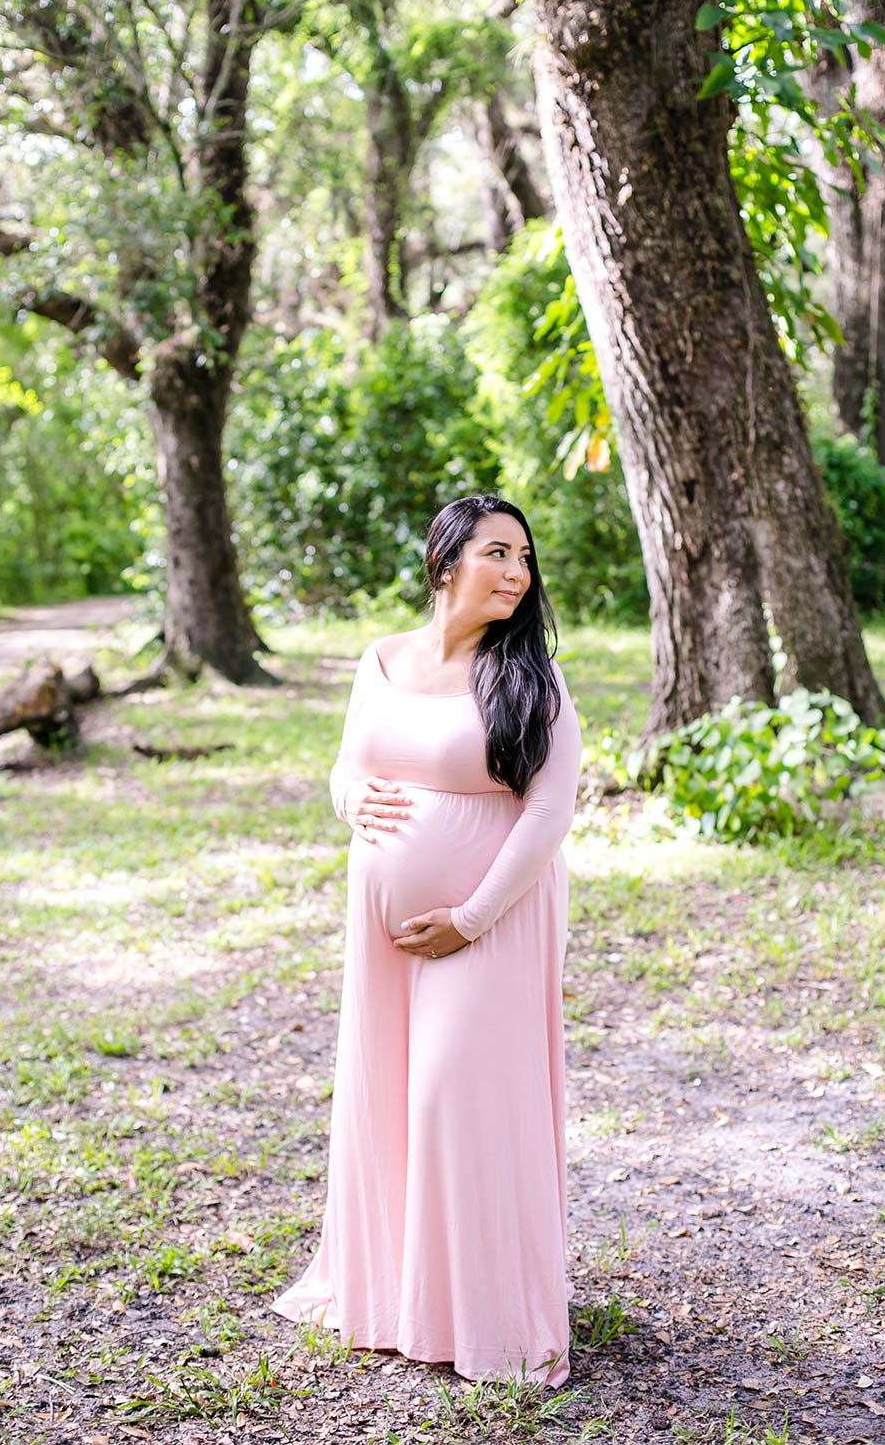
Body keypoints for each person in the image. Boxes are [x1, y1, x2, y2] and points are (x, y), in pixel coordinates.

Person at [270, 494, 583, 1388]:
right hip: (383, 935)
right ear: (446, 560)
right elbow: (349, 763)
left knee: (455, 1096)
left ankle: (489, 1317)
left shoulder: (533, 680)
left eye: (525, 557)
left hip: (491, 923)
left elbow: (550, 812)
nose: (519, 572)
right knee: (389, 1099)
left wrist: (471, 917)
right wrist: (345, 798)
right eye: (498, 552)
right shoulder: (381, 659)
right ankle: (401, 1296)